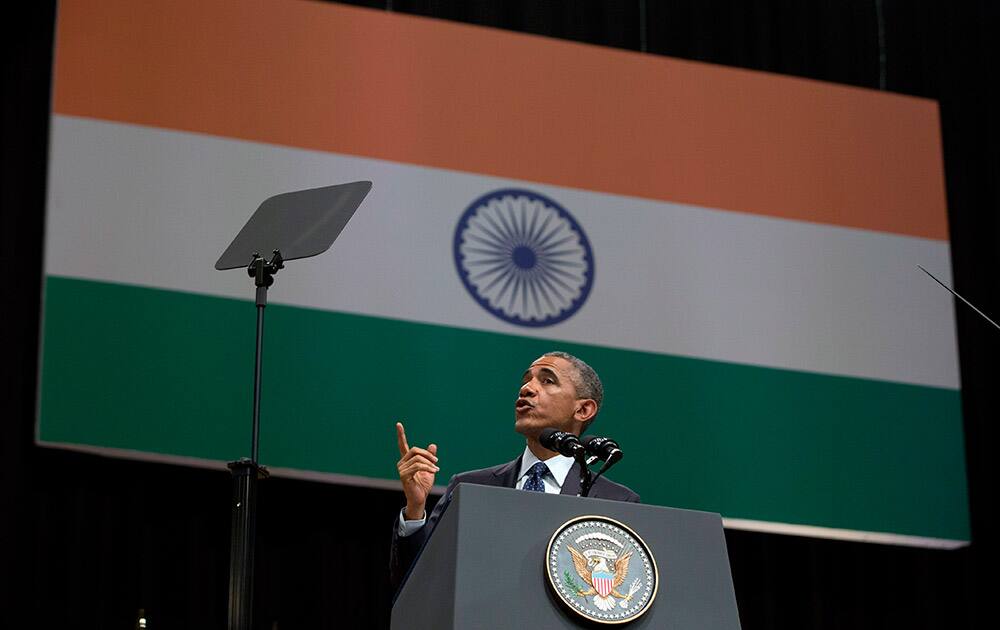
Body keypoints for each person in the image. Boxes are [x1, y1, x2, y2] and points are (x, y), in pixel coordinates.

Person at [390, 351, 640, 593]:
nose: (527, 389)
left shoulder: (616, 501)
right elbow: (418, 582)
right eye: (526, 381)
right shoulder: (471, 487)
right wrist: (415, 508)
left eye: (547, 381)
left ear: (583, 410)